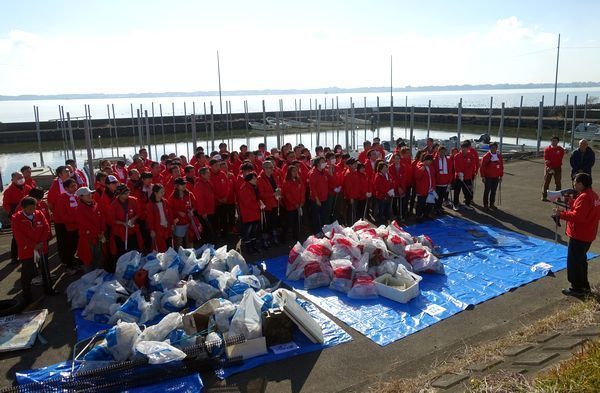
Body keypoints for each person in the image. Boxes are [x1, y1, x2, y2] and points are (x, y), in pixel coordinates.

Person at [554, 173, 600, 297]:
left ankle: (577, 288)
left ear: (580, 184)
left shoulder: (584, 197)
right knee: (581, 261)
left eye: (575, 182)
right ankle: (583, 286)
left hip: (579, 235)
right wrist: (570, 201)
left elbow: (577, 216)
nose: (574, 184)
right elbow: (583, 210)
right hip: (588, 234)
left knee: (574, 262)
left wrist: (561, 214)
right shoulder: (593, 195)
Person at [11, 197, 58, 304]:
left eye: (34, 208)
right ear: (23, 208)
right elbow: (19, 236)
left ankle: (48, 288)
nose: (33, 210)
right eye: (30, 209)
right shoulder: (16, 218)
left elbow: (46, 227)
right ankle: (26, 294)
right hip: (27, 250)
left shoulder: (39, 214)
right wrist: (33, 245)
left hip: (41, 247)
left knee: (45, 269)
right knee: (27, 272)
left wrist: (41, 242)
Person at [107, 185, 142, 270]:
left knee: (134, 248)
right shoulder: (113, 204)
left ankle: (134, 266)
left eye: (128, 192)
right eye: (125, 193)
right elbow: (112, 220)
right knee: (122, 251)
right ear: (119, 194)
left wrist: (133, 219)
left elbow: (138, 212)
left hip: (132, 230)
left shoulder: (133, 200)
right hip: (120, 232)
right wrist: (123, 223)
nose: (127, 195)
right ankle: (122, 268)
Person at [3, 171, 32, 263]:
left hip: (29, 213)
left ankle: (30, 252)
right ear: (12, 180)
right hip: (16, 216)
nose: (21, 179)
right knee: (16, 236)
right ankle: (14, 257)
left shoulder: (28, 187)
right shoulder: (8, 191)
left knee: (30, 233)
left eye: (22, 177)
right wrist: (12, 214)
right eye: (18, 178)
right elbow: (6, 204)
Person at [53, 178, 81, 275]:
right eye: (72, 186)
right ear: (66, 188)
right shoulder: (62, 198)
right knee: (68, 246)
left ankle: (74, 261)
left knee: (75, 244)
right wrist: (74, 220)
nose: (75, 188)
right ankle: (69, 265)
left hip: (76, 225)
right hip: (67, 226)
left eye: (75, 185)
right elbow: (62, 214)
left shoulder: (76, 196)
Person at [76, 187, 106, 271]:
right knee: (89, 261)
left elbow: (102, 217)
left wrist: (103, 231)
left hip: (98, 236)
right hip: (88, 239)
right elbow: (86, 225)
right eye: (87, 194)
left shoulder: (95, 204)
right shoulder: (79, 209)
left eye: (90, 193)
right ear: (81, 197)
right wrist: (99, 233)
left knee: (99, 258)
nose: (90, 196)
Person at [169, 177, 199, 249]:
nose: (184, 185)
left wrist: (192, 211)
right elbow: (170, 210)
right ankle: (180, 256)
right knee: (179, 242)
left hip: (189, 221)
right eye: (182, 184)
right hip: (179, 223)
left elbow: (195, 205)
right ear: (177, 186)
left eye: (185, 184)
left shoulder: (189, 194)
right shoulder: (172, 197)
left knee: (190, 240)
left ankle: (190, 256)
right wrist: (178, 212)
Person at [257, 160, 282, 246]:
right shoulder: (260, 179)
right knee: (266, 224)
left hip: (274, 203)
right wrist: (273, 194)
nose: (272, 169)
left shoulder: (273, 176)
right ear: (264, 169)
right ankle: (266, 240)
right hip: (267, 205)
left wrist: (278, 190)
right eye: (270, 167)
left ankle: (274, 238)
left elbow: (277, 186)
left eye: (272, 167)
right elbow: (261, 194)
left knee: (274, 222)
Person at [238, 172, 262, 254]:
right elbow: (247, 203)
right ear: (249, 180)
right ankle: (249, 249)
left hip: (254, 213)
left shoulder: (253, 187)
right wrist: (259, 205)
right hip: (248, 214)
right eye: (254, 178)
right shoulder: (244, 189)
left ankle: (253, 247)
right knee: (248, 232)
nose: (256, 180)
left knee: (253, 232)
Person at [146, 184, 173, 252]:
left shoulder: (165, 202)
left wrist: (172, 224)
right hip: (158, 229)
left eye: (163, 192)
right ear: (155, 193)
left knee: (169, 246)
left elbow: (169, 214)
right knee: (161, 248)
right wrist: (152, 230)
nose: (163, 193)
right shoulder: (150, 205)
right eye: (161, 192)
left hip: (167, 227)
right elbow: (150, 219)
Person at [194, 167, 216, 245]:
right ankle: (208, 245)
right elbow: (200, 200)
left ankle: (211, 244)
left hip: (210, 210)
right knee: (207, 229)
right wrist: (203, 212)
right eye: (207, 173)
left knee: (211, 228)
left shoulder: (208, 182)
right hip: (205, 212)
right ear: (202, 175)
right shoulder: (199, 185)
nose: (209, 174)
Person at [282, 165, 305, 241]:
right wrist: (295, 203)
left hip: (298, 204)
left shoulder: (298, 180)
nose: (295, 172)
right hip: (291, 206)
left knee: (297, 221)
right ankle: (284, 237)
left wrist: (302, 201)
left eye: (296, 171)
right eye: (293, 171)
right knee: (289, 222)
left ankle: (296, 236)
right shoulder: (286, 182)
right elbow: (287, 195)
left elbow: (302, 190)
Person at [308, 157, 330, 235]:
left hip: (324, 198)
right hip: (316, 199)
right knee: (316, 216)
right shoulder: (313, 173)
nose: (324, 163)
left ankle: (323, 230)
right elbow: (312, 188)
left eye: (324, 161)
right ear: (318, 164)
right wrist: (317, 199)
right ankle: (316, 231)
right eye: (322, 162)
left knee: (323, 215)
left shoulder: (324, 172)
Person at [452, 141, 476, 211]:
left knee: (468, 192)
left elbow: (472, 166)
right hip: (458, 177)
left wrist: (466, 174)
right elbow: (456, 166)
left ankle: (467, 204)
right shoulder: (457, 156)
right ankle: (455, 205)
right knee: (457, 192)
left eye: (465, 149)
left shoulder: (471, 156)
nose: (463, 150)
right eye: (462, 148)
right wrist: (460, 173)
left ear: (468, 149)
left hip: (467, 177)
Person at [480, 142, 504, 210]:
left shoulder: (499, 156)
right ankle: (485, 204)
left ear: (496, 148)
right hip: (488, 177)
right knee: (487, 190)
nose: (493, 149)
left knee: (494, 191)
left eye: (495, 147)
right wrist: (483, 176)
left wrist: (501, 176)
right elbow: (482, 167)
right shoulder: (486, 156)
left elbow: (501, 167)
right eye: (492, 147)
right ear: (490, 148)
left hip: (496, 176)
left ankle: (492, 204)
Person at [542, 136, 565, 201]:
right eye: (553, 140)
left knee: (558, 183)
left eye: (555, 141)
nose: (554, 142)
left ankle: (558, 197)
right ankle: (544, 196)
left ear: (558, 142)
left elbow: (559, 159)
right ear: (551, 141)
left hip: (557, 168)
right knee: (546, 183)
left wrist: (551, 161)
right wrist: (549, 166)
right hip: (548, 168)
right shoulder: (547, 149)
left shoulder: (561, 149)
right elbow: (546, 159)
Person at [414, 154, 436, 220]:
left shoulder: (431, 167)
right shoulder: (420, 166)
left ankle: (426, 214)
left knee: (429, 203)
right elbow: (417, 177)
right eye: (429, 161)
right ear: (425, 160)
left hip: (430, 189)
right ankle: (418, 216)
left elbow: (433, 178)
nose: (430, 162)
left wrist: (433, 186)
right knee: (421, 203)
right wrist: (421, 170)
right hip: (422, 189)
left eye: (431, 161)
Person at [373, 161, 395, 225]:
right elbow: (378, 187)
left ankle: (387, 220)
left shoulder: (388, 175)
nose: (386, 169)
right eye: (384, 168)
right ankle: (380, 222)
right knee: (381, 210)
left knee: (387, 209)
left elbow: (392, 182)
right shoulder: (378, 176)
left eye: (386, 168)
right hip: (381, 196)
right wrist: (387, 191)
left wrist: (392, 190)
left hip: (388, 195)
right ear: (380, 169)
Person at [433, 146, 453, 214]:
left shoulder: (448, 160)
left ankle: (439, 207)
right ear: (438, 152)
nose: (442, 153)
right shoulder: (434, 160)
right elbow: (433, 172)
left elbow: (450, 171)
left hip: (445, 182)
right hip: (437, 182)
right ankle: (435, 208)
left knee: (442, 196)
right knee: (436, 197)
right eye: (441, 152)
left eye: (444, 152)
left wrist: (449, 182)